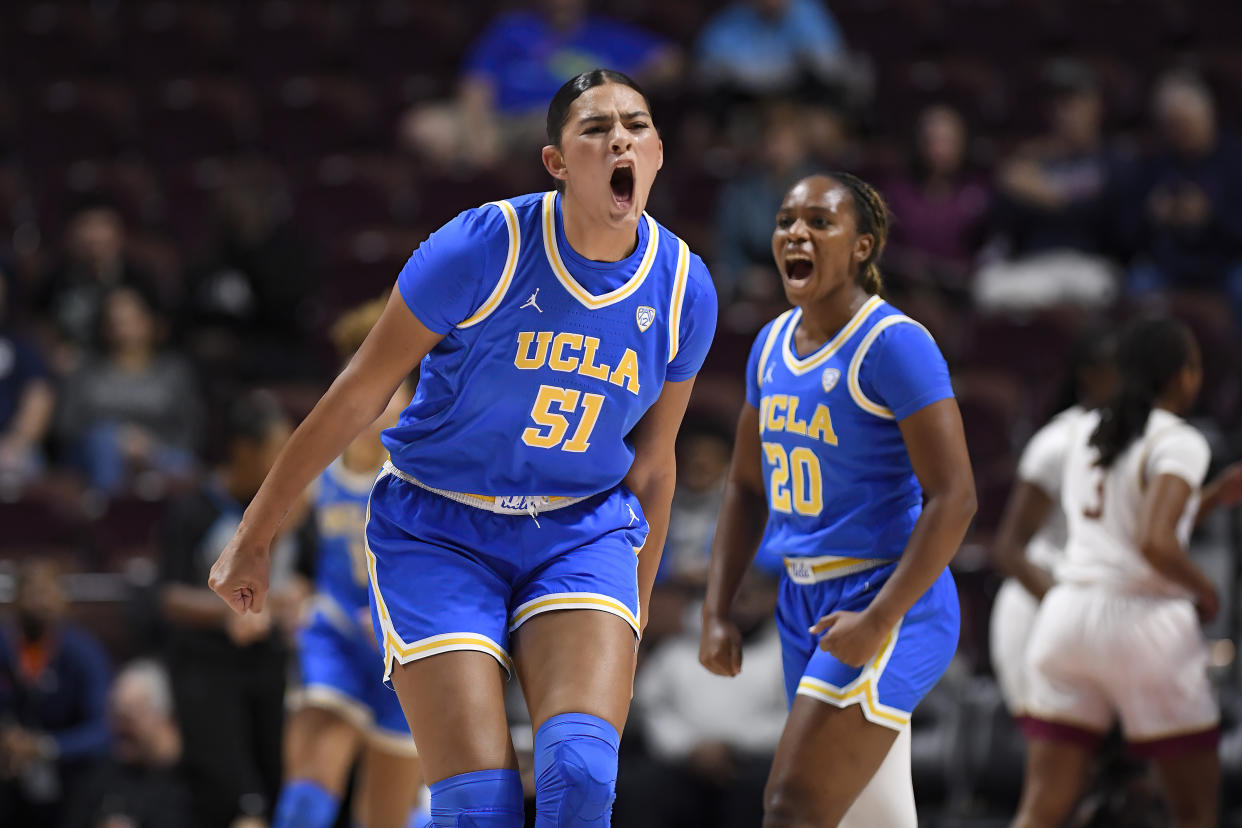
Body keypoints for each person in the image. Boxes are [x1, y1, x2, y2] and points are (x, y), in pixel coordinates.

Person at [209, 68, 718, 827]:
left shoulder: (684, 288)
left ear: (657, 152)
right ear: (556, 162)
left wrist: (631, 617)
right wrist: (256, 534)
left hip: (579, 529)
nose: (620, 136)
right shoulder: (482, 246)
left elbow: (655, 462)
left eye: (636, 124)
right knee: (479, 806)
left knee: (579, 777)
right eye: (595, 126)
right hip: (439, 527)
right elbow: (358, 391)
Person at [699, 172, 976, 826]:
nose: (796, 232)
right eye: (786, 220)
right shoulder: (768, 345)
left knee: (792, 807)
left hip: (886, 599)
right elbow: (744, 486)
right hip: (804, 601)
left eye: (820, 222)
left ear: (862, 246)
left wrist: (879, 618)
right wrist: (717, 609)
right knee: (869, 818)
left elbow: (956, 497)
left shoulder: (894, 345)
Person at [1014, 317, 1242, 828]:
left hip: (1066, 619)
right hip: (1145, 626)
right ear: (1183, 375)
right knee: (1196, 814)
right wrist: (1205, 592)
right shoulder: (1181, 439)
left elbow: (1124, 528)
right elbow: (1155, 542)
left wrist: (1208, 499)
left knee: (1040, 811)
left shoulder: (1086, 429)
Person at [273, 298, 423, 828]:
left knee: (385, 815)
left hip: (403, 646)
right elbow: (265, 535)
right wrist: (284, 587)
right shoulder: (320, 462)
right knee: (307, 798)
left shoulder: (428, 468)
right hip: (335, 630)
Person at [158, 390, 316, 828]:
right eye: (275, 449)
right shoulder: (194, 508)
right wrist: (228, 612)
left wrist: (296, 597)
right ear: (242, 449)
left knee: (279, 785)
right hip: (209, 668)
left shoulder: (299, 508)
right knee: (232, 796)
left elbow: (308, 576)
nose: (287, 459)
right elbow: (169, 596)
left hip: (274, 663)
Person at [988, 328, 1117, 720]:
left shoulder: (1143, 442)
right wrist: (1069, 613)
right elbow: (1007, 550)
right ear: (1091, 376)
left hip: (1105, 620)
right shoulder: (1057, 443)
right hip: (1040, 610)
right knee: (1055, 767)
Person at [57, 284, 202, 494]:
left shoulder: (174, 372)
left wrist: (149, 447)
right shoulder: (86, 371)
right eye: (114, 322)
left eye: (130, 321)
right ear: (104, 327)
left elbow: (190, 429)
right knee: (104, 444)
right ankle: (111, 511)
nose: (122, 329)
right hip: (95, 454)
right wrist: (116, 438)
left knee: (186, 467)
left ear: (149, 322)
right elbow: (67, 425)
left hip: (158, 452)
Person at [0, 561, 112, 825]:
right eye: (32, 592)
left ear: (63, 602)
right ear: (15, 599)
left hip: (69, 778)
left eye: (48, 592)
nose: (40, 601)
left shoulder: (83, 653)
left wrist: (46, 747)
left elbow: (103, 729)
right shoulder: (5, 648)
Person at [62, 659, 195, 828]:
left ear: (162, 716)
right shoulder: (101, 775)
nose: (120, 729)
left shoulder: (191, 781)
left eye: (129, 719)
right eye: (115, 717)